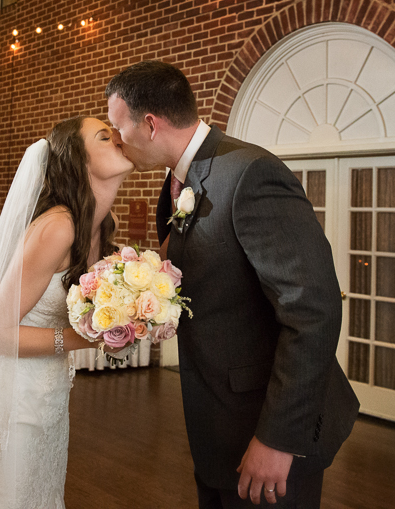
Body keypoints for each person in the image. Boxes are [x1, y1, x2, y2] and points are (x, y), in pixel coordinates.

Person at [106, 61, 359, 508]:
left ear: (149, 124)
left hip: (268, 431)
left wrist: (278, 438)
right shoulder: (178, 180)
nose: (115, 140)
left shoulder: (250, 173)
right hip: (218, 424)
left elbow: (312, 309)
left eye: (116, 127)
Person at [0, 116, 134, 509]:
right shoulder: (59, 227)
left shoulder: (103, 226)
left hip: (48, 394)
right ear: (79, 161)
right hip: (6, 402)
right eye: (103, 134)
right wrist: (89, 338)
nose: (116, 136)